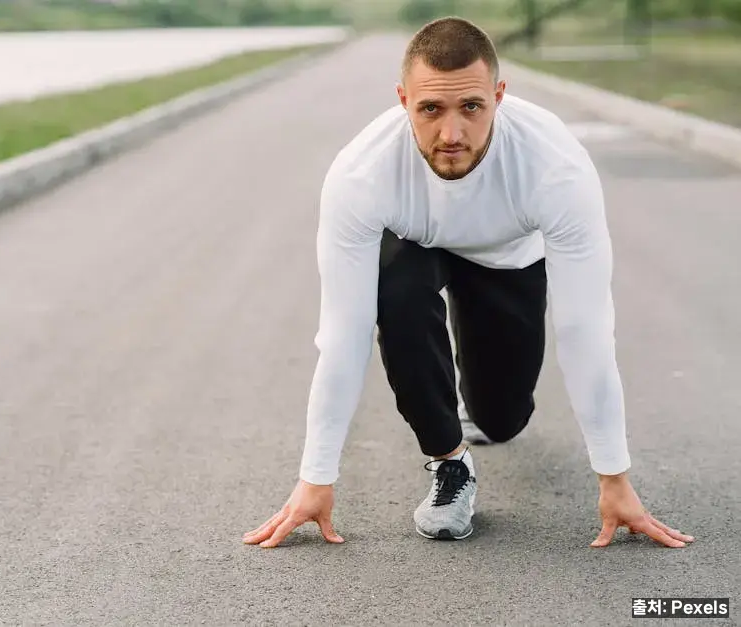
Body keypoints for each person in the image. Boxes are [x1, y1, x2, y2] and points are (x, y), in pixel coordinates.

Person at [243, 17, 695, 549]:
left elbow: (585, 329)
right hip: (417, 248)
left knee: (502, 420)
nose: (451, 134)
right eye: (430, 109)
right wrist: (315, 478)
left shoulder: (555, 167)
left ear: (499, 97)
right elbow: (344, 334)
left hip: (507, 262)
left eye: (471, 108)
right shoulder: (361, 175)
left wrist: (614, 478)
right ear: (402, 100)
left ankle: (475, 410)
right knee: (395, 288)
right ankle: (449, 463)